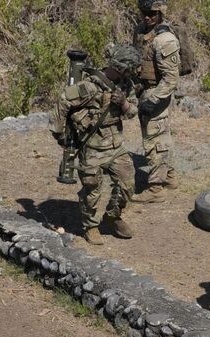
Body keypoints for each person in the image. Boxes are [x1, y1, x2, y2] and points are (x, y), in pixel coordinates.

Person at [49, 44, 143, 245]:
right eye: (131, 70)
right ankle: (90, 226)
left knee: (127, 184)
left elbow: (133, 111)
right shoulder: (91, 86)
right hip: (91, 147)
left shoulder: (125, 86)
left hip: (116, 145)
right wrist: (59, 134)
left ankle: (112, 217)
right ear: (123, 68)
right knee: (92, 190)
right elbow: (64, 100)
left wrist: (124, 103)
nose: (132, 74)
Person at [133, 0, 180, 197]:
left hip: (157, 93)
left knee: (154, 141)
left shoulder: (165, 39)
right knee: (159, 137)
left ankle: (155, 189)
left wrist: (152, 100)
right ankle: (168, 176)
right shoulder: (140, 31)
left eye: (152, 13)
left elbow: (171, 79)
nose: (147, 16)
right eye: (144, 12)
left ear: (160, 13)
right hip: (144, 89)